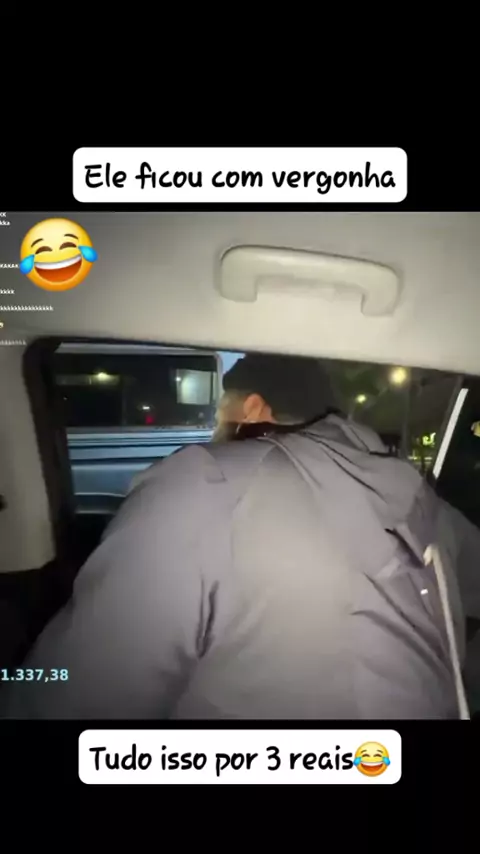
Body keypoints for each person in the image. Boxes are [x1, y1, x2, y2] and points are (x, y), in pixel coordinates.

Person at [3, 353, 480, 719]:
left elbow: (73, 693)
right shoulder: (418, 499)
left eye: (220, 411)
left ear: (251, 408)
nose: (215, 427)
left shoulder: (205, 485)